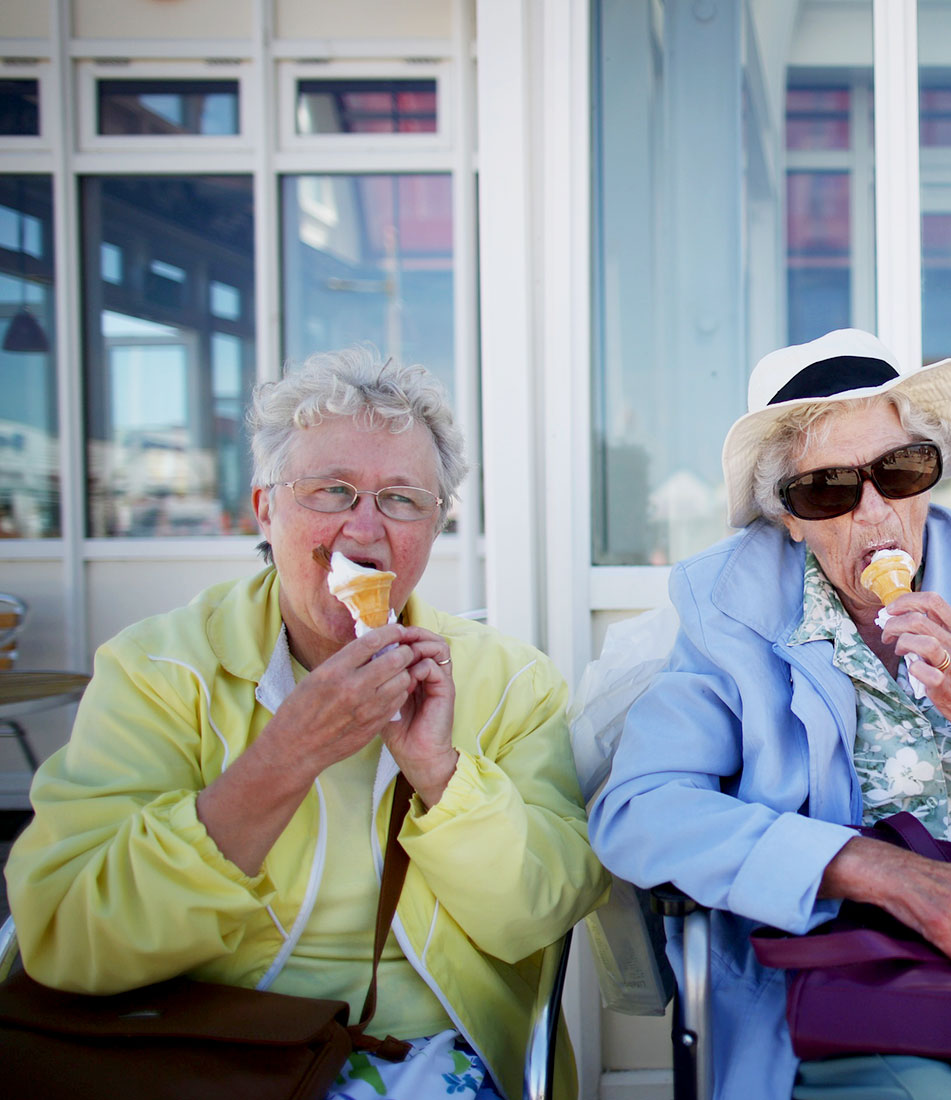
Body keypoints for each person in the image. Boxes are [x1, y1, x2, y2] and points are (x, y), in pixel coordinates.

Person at [4, 349, 609, 1099]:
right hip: (196, 1039)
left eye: (401, 499)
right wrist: (285, 756)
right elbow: (70, 937)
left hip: (423, 1049)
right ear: (265, 508)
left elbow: (536, 918)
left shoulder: (509, 681)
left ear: (434, 525)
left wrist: (440, 775)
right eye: (332, 491)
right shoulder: (159, 670)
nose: (364, 527)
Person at [592, 328, 951, 1099]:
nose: (875, 514)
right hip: (841, 963)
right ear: (788, 517)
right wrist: (867, 868)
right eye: (829, 490)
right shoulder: (729, 604)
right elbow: (639, 809)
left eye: (900, 471)